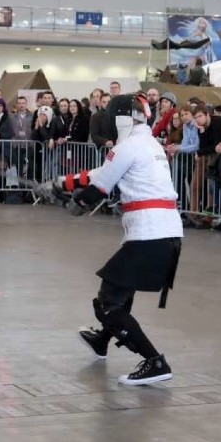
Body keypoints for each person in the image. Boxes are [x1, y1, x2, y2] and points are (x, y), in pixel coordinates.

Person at [66, 93, 183, 386]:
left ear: (119, 119)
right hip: (165, 232)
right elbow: (103, 175)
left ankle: (155, 362)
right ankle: (102, 340)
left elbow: (100, 187)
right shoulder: (149, 143)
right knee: (122, 292)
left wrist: (74, 201)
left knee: (108, 302)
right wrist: (69, 186)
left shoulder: (127, 146)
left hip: (150, 233)